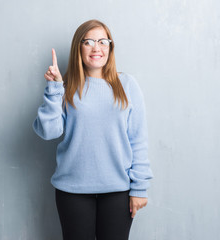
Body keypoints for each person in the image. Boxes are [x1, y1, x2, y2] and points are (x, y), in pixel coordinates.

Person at [32, 19, 154, 240]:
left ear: (110, 46)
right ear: (78, 48)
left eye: (102, 41)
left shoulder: (127, 85)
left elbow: (138, 140)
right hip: (72, 191)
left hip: (117, 190)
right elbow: (48, 131)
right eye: (88, 42)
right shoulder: (66, 88)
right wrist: (54, 89)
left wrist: (140, 188)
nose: (96, 47)